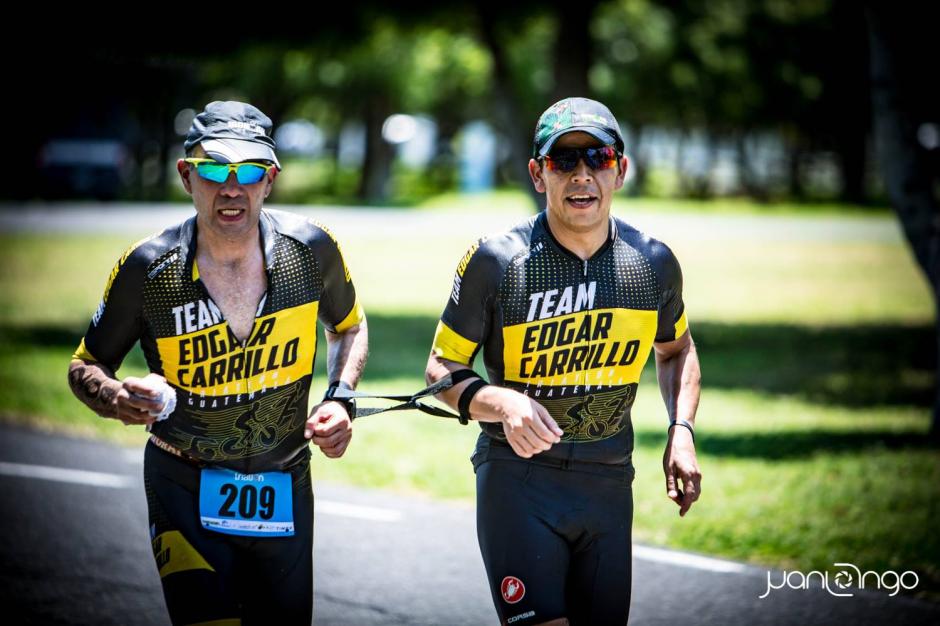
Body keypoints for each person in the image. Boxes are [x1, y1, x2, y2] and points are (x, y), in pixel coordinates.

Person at [67, 100, 367, 625]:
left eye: (249, 170)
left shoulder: (312, 249)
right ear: (187, 175)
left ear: (269, 179)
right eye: (214, 170)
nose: (232, 188)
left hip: (285, 481)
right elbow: (85, 365)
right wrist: (114, 398)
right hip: (182, 486)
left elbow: (348, 326)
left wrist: (341, 399)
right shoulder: (147, 269)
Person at [425, 97, 702, 626]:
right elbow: (441, 370)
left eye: (597, 158)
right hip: (519, 481)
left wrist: (681, 430)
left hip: (608, 483)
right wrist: (501, 401)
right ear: (537, 173)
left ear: (619, 170)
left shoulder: (653, 264)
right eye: (563, 161)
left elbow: (677, 349)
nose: (582, 175)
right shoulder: (497, 260)